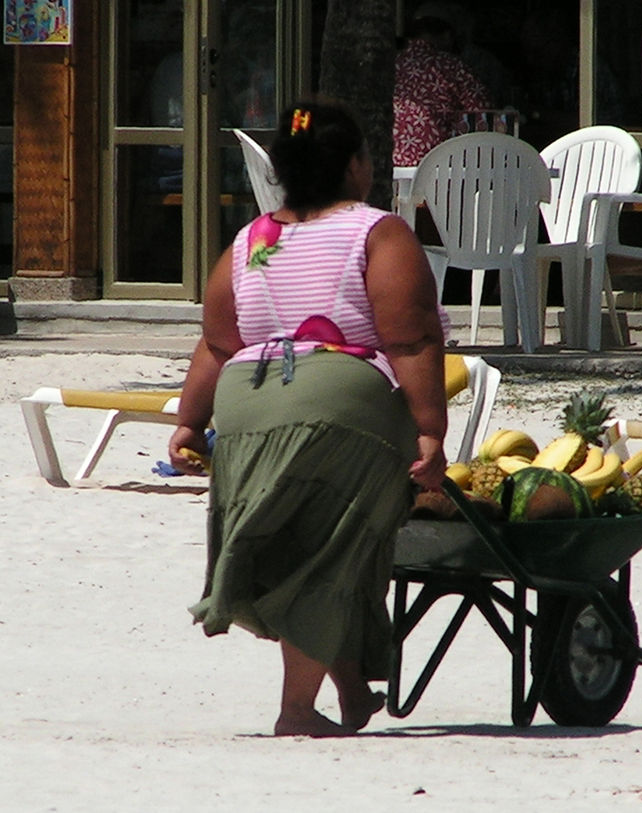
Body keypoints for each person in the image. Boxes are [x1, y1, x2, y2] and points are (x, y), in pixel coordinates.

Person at [168, 99, 449, 738]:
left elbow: (218, 342)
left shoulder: (251, 240)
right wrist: (430, 431)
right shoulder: (377, 231)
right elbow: (409, 339)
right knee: (332, 548)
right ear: (356, 166)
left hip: (246, 400)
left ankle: (351, 689)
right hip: (339, 402)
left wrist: (189, 421)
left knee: (301, 539)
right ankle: (297, 711)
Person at [393, 14, 491, 167]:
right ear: (447, 36)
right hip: (438, 170)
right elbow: (483, 113)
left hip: (392, 167)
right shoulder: (452, 66)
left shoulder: (391, 65)